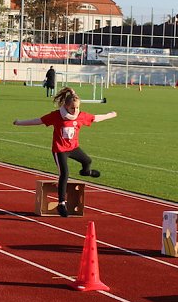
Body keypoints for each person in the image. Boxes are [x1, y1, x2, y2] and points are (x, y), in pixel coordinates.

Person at [13, 87, 117, 217]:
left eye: (77, 108)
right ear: (66, 106)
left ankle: (86, 172)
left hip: (73, 148)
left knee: (87, 160)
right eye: (73, 108)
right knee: (64, 173)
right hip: (60, 150)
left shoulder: (81, 116)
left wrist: (111, 115)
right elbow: (38, 121)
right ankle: (61, 203)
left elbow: (96, 118)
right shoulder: (57, 116)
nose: (75, 111)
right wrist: (19, 122)